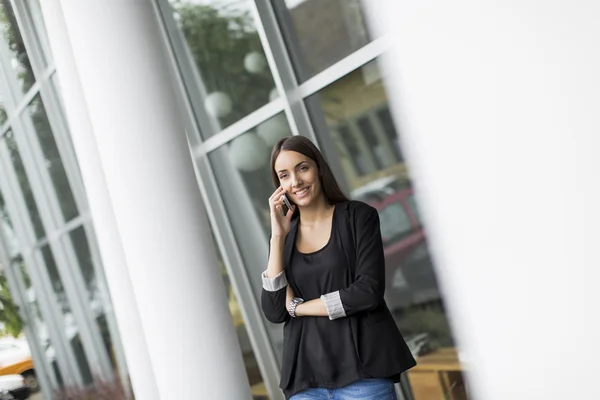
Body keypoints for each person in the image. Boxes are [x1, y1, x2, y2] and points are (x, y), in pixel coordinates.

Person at [261, 136, 416, 400]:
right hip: (305, 380)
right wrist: (277, 237)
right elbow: (275, 311)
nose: (295, 182)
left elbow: (368, 292)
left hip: (363, 373)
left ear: (319, 168)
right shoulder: (283, 238)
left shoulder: (358, 217)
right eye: (284, 175)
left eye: (302, 168)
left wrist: (298, 307)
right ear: (279, 187)